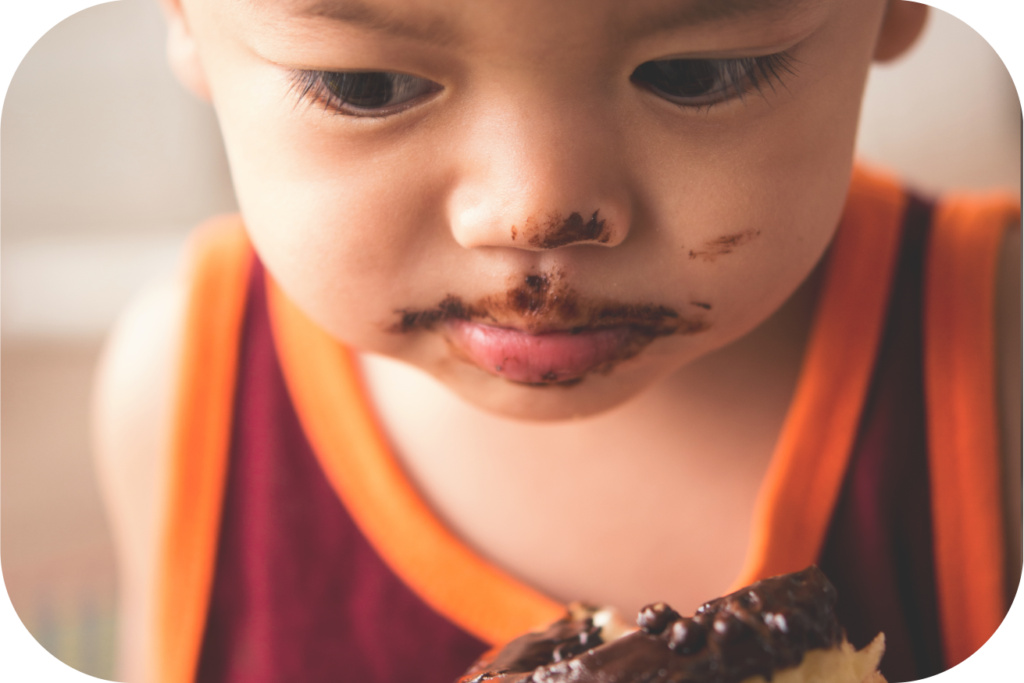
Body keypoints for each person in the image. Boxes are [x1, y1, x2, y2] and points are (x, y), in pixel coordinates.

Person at [91, 1, 1020, 682]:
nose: (536, 213)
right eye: (366, 86)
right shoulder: (184, 403)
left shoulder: (998, 371)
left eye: (696, 74)